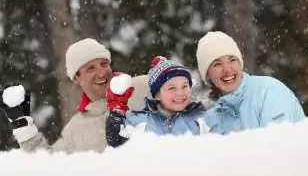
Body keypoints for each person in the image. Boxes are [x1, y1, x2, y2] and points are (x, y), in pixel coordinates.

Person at [0, 38, 150, 153]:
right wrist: (22, 127)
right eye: (90, 68)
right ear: (76, 79)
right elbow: (48, 165)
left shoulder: (143, 88)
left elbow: (172, 84)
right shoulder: (75, 129)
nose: (102, 72)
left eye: (104, 64)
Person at [195, 31, 306, 134]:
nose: (227, 69)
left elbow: (276, 146)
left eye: (232, 60)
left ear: (240, 64)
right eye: (217, 64)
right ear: (207, 75)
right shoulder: (210, 120)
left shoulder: (269, 92)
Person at [105, 56, 207, 147]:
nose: (180, 93)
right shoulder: (140, 121)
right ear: (157, 94)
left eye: (184, 86)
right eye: (172, 88)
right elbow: (117, 143)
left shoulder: (200, 118)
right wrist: (117, 110)